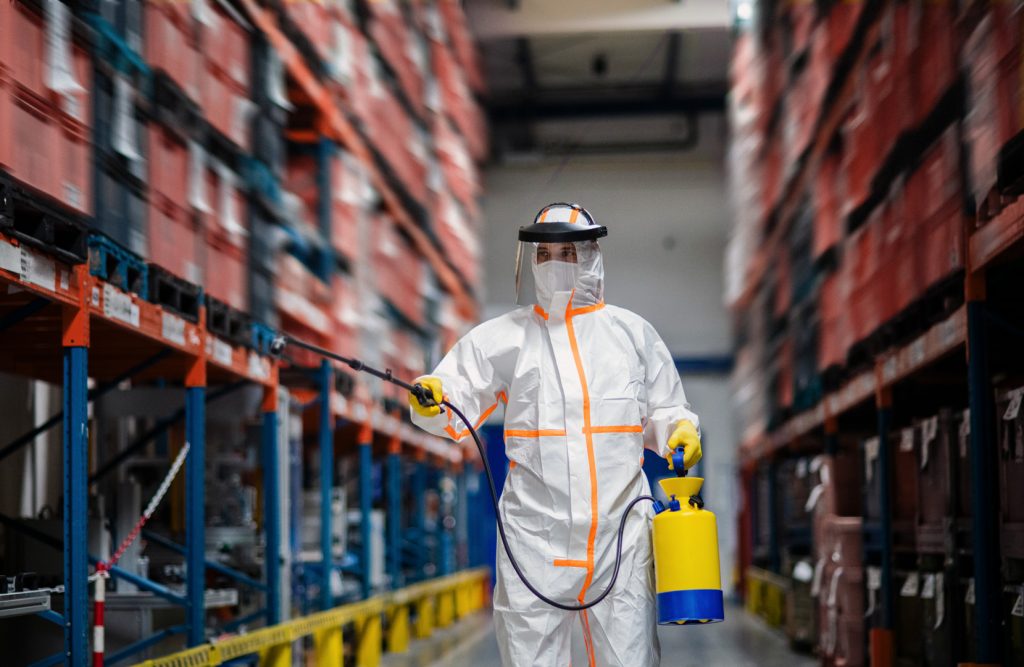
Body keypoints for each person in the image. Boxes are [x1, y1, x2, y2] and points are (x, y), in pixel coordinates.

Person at [408, 202, 701, 667]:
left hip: (619, 540)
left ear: (592, 256)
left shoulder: (632, 335)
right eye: (545, 254)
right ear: (531, 260)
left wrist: (680, 429)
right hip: (534, 542)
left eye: (569, 252)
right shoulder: (504, 337)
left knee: (629, 659)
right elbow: (451, 396)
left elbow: (667, 409)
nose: (557, 264)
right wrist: (432, 397)